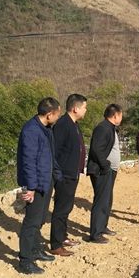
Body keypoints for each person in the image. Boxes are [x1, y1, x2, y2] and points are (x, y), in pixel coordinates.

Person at [16, 97, 62, 274]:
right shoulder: (31, 131)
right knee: (31, 222)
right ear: (49, 114)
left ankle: (35, 250)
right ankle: (25, 261)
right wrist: (31, 187)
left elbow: (49, 156)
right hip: (35, 184)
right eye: (57, 114)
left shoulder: (46, 129)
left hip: (45, 181)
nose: (58, 117)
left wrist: (56, 174)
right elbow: (28, 162)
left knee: (40, 219)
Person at [49, 94, 87, 256]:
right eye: (84, 107)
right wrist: (59, 174)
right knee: (61, 209)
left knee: (67, 207)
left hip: (72, 173)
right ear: (75, 108)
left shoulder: (74, 124)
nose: (85, 110)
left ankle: (63, 237)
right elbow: (55, 152)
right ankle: (56, 244)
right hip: (64, 175)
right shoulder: (63, 125)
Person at [86, 104, 123, 243]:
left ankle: (102, 227)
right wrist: (105, 165)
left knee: (107, 200)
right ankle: (95, 234)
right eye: (121, 115)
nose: (121, 118)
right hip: (101, 171)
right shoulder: (103, 128)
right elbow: (96, 149)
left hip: (108, 171)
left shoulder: (110, 128)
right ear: (115, 115)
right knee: (101, 201)